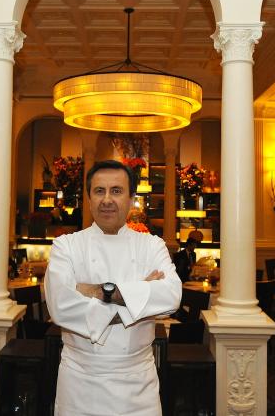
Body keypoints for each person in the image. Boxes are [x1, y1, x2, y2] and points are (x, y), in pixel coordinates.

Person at [44, 160, 181, 415]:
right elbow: (61, 308)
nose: (107, 199)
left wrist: (94, 291)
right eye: (99, 191)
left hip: (138, 385)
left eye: (116, 191)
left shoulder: (152, 245)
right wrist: (140, 294)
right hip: (80, 383)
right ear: (88, 199)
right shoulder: (66, 246)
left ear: (131, 198)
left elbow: (172, 296)